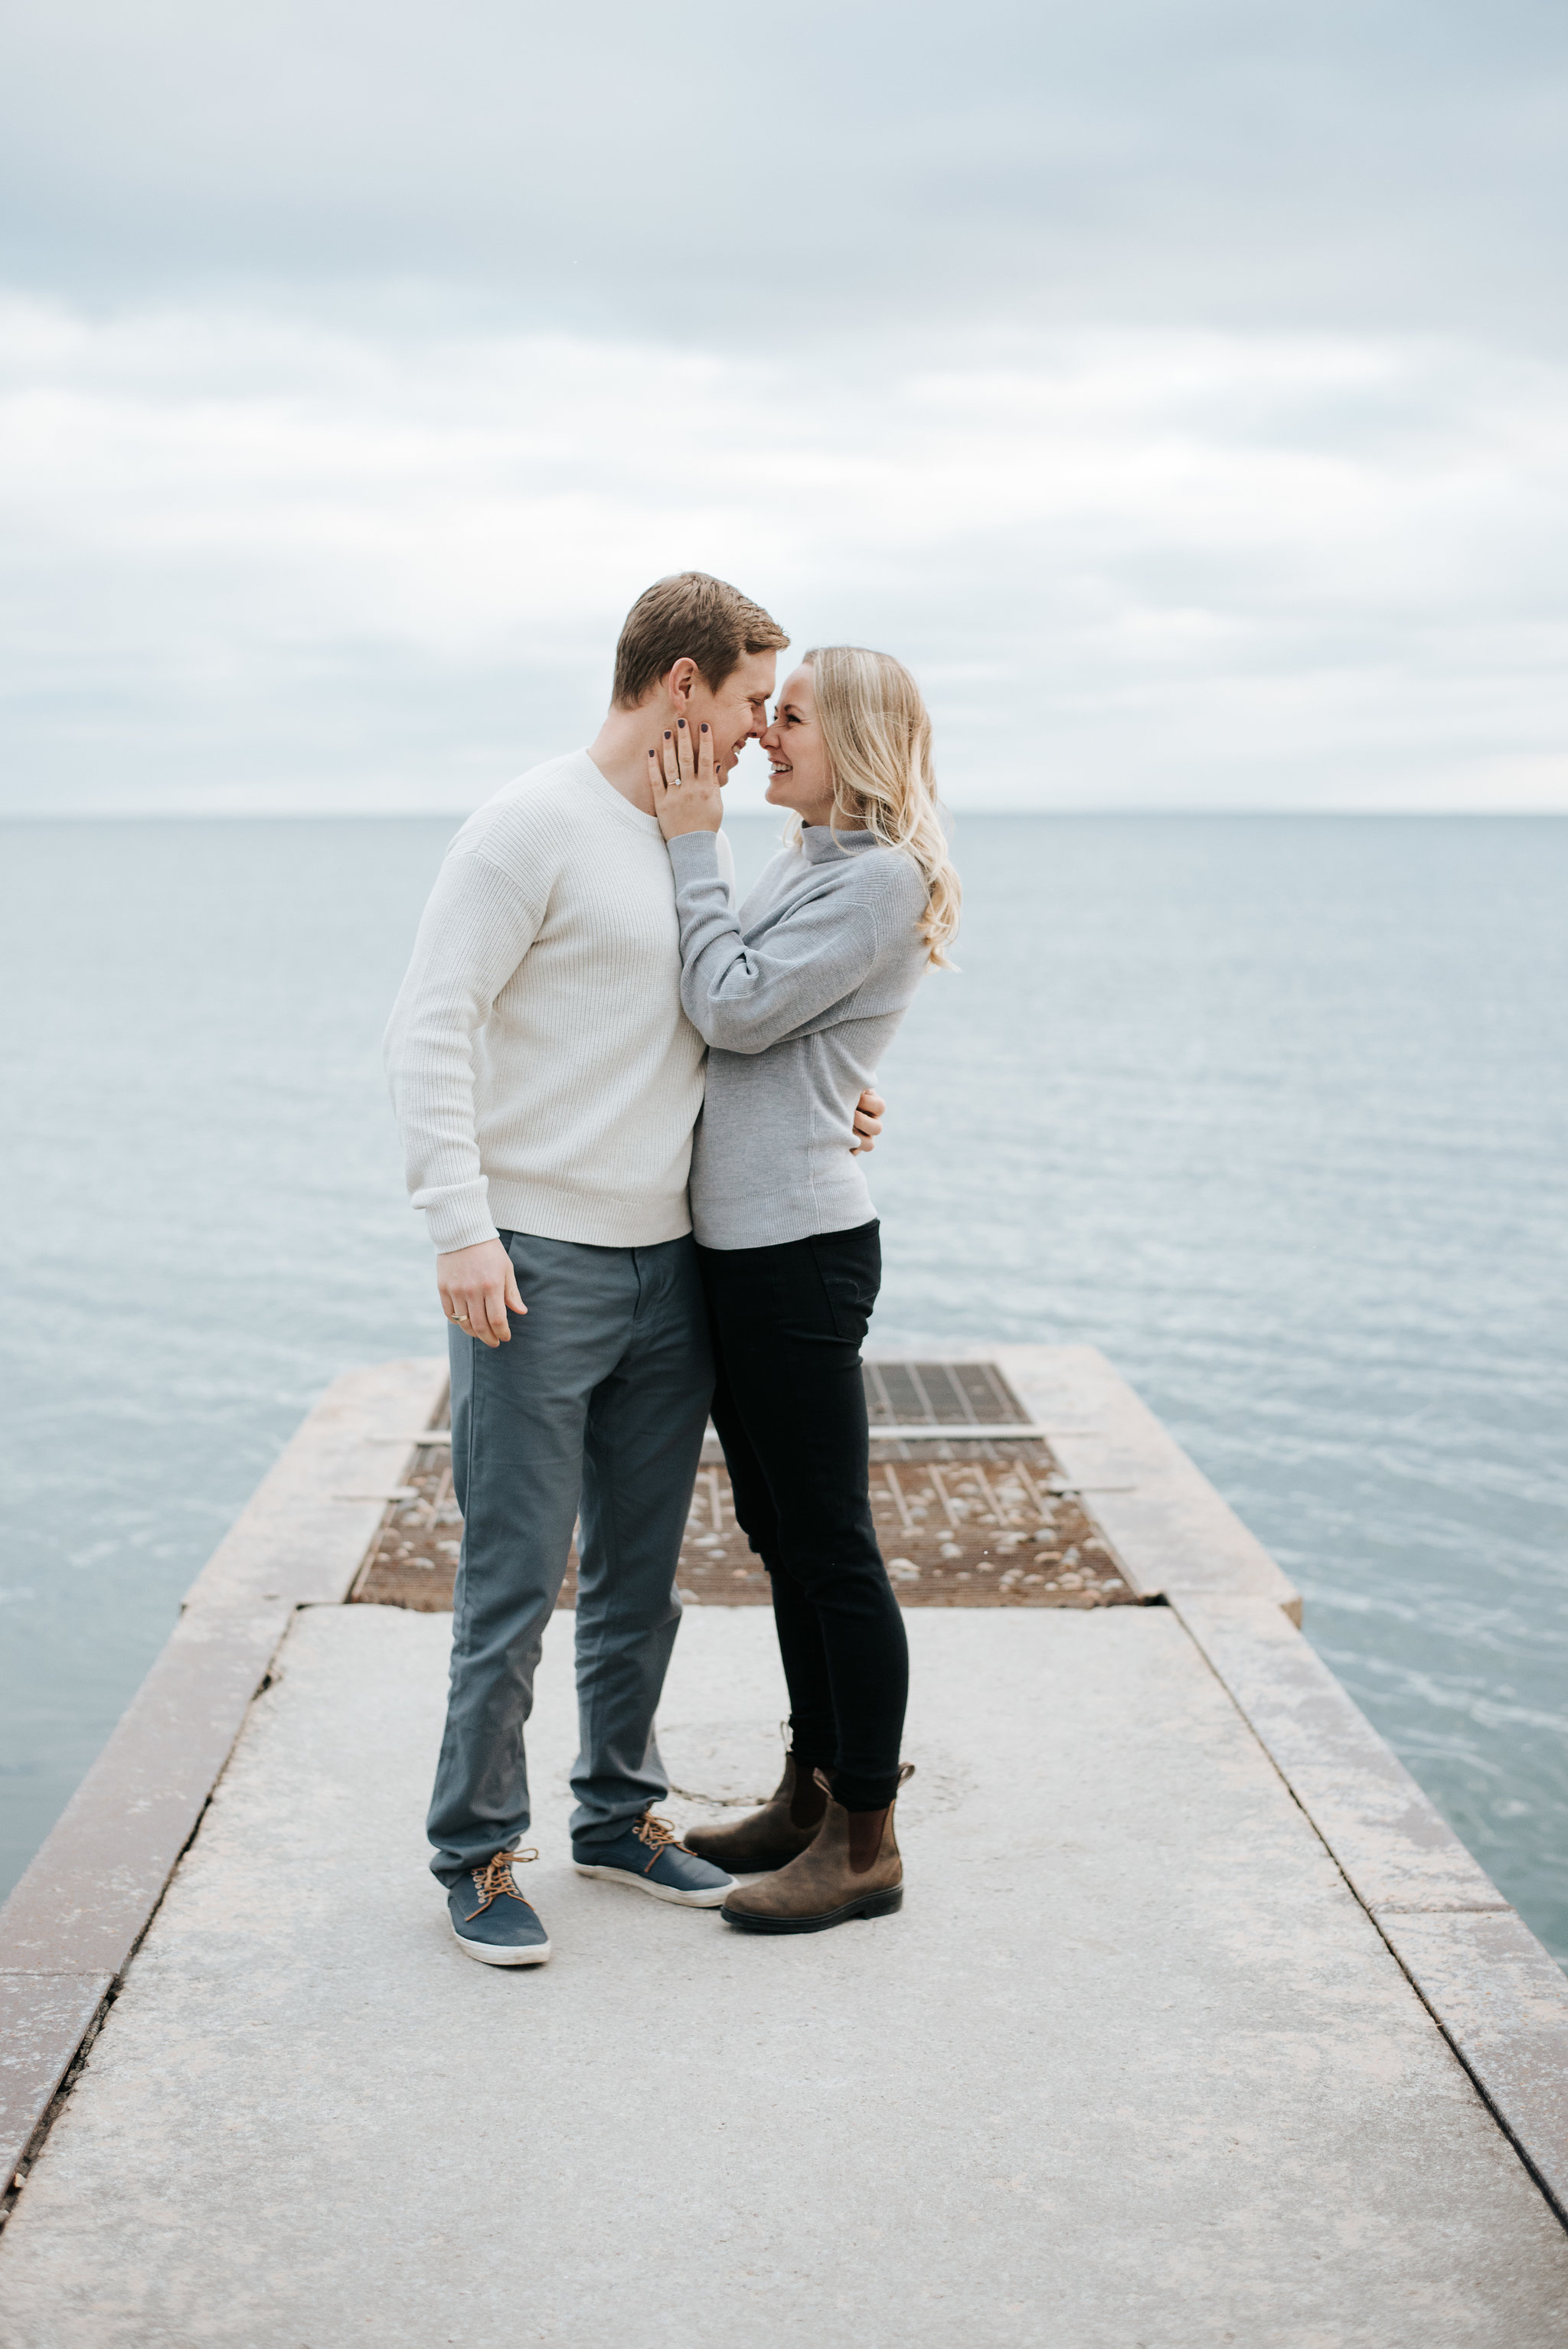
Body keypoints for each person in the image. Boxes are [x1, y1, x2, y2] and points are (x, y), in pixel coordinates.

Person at [383, 574, 886, 1966]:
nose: (752, 734)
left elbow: (733, 1015)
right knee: (510, 1578)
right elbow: (430, 1029)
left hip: (674, 1264)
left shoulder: (691, 838)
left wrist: (833, 1101)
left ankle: (618, 1815)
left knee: (642, 1580)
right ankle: (478, 1853)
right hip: (535, 1262)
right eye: (742, 705)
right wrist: (459, 1227)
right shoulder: (526, 827)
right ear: (682, 687)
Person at [648, 645, 959, 1933]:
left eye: (792, 718)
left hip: (800, 1255)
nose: (766, 733)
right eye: (767, 714)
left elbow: (731, 1007)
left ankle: (867, 1843)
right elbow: (788, 1041)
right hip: (745, 1246)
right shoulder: (814, 862)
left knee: (832, 1549)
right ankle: (807, 1797)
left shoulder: (881, 879)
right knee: (784, 1542)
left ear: (863, 740)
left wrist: (687, 844)